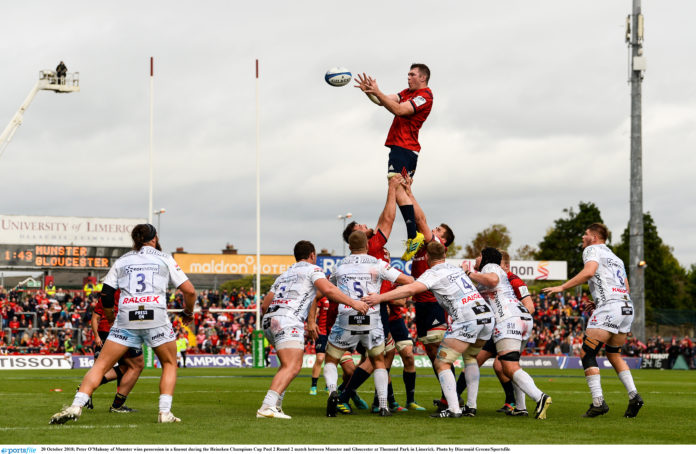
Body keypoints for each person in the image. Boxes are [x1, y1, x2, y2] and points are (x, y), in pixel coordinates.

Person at [50, 223, 197, 424]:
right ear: (154, 239)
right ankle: (164, 412)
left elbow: (107, 293)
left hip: (127, 318)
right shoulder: (165, 258)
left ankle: (76, 406)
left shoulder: (122, 260)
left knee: (101, 365)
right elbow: (190, 291)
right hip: (155, 316)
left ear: (135, 240)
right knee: (169, 364)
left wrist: (110, 317)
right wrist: (188, 312)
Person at [363, 242, 494, 418]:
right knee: (470, 357)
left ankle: (454, 409)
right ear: (445, 256)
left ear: (426, 258)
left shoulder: (432, 273)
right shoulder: (454, 268)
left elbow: (410, 289)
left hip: (467, 317)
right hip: (486, 315)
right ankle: (471, 406)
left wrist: (379, 298)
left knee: (441, 363)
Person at [257, 240, 369, 420]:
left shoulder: (284, 275)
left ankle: (276, 405)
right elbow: (328, 290)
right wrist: (354, 302)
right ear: (312, 255)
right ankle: (267, 406)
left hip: (269, 320)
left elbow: (264, 305)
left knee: (287, 366)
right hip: (288, 320)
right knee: (293, 365)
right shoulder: (313, 270)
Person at [542, 223, 643, 418]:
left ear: (595, 237)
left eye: (586, 234)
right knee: (614, 355)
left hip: (611, 307)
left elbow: (589, 271)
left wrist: (562, 287)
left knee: (588, 353)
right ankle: (634, 396)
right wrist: (601, 302)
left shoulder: (591, 250)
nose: (583, 237)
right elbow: (626, 288)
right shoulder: (616, 258)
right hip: (626, 306)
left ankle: (598, 402)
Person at [324, 231, 414, 417]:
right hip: (372, 318)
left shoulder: (339, 265)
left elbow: (328, 288)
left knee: (331, 359)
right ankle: (382, 406)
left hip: (346, 317)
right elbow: (409, 281)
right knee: (378, 361)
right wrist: (384, 297)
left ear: (349, 247)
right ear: (367, 246)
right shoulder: (377, 264)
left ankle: (333, 391)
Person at [354, 65, 434, 260]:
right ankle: (413, 236)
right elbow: (384, 101)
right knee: (402, 191)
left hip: (405, 147)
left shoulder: (425, 96)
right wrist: (370, 93)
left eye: (412, 74)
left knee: (397, 188)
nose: (408, 77)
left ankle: (413, 235)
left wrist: (378, 92)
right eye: (408, 73)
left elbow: (398, 109)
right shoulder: (407, 92)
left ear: (422, 78)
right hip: (402, 148)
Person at [464, 247, 551, 420]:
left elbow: (493, 280)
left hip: (508, 319)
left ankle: (539, 397)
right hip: (523, 319)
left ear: (487, 258)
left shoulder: (490, 268)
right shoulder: (494, 271)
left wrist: (469, 274)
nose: (476, 258)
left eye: (480, 255)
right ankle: (520, 407)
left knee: (509, 367)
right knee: (511, 365)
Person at [400, 176, 456, 410]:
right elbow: (414, 219)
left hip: (433, 303)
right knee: (432, 353)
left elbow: (420, 218)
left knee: (439, 352)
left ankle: (451, 398)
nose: (433, 230)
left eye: (438, 230)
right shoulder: (423, 245)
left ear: (443, 241)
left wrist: (409, 192)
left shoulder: (436, 246)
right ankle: (449, 395)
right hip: (421, 306)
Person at [83, 289, 145, 412]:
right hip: (122, 332)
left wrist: (96, 336)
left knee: (104, 367)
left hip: (105, 332)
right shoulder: (130, 293)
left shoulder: (106, 296)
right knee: (134, 366)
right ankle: (116, 405)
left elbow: (95, 318)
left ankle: (85, 391)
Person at [307, 292, 331, 395]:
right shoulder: (322, 297)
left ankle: (329, 385)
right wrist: (312, 325)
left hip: (334, 332)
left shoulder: (340, 296)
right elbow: (315, 312)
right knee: (320, 358)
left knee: (331, 360)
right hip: (322, 331)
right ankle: (313, 386)